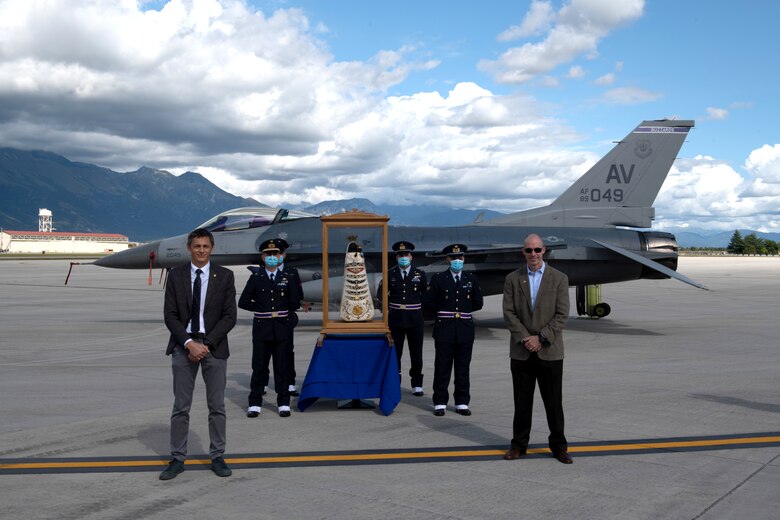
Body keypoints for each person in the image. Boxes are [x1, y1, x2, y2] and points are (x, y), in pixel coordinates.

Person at [160, 228, 237, 480]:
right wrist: (189, 343)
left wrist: (206, 344)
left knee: (217, 406)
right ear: (189, 248)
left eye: (205, 246)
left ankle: (217, 455)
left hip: (214, 348)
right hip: (184, 348)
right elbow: (170, 315)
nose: (201, 250)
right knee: (181, 407)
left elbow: (229, 316)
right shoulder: (176, 276)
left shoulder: (225, 276)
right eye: (196, 246)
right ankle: (177, 457)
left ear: (211, 248)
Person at [501, 233, 572, 464]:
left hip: (549, 351)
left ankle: (559, 447)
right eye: (528, 250)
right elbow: (509, 313)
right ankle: (519, 446)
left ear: (544, 251)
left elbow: (562, 314)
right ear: (523, 252)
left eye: (537, 250)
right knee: (522, 403)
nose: (533, 254)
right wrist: (525, 339)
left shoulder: (559, 278)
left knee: (553, 403)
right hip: (522, 352)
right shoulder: (513, 278)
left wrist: (541, 338)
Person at [240, 239, 302, 418]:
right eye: (268, 255)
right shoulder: (256, 277)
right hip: (262, 328)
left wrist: (284, 313)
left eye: (275, 254)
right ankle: (255, 403)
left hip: (282, 327)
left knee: (281, 367)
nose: (272, 257)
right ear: (263, 257)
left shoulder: (287, 278)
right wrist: (260, 309)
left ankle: (283, 402)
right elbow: (243, 301)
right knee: (259, 366)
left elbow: (295, 301)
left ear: (280, 256)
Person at [423, 243, 483, 416]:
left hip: (464, 328)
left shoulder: (471, 279)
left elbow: (478, 303)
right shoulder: (439, 279)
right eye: (454, 258)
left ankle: (462, 401)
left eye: (460, 258)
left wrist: (462, 310)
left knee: (463, 367)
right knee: (442, 366)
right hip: (445, 328)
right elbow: (429, 302)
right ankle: (440, 401)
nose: (457, 260)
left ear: (464, 259)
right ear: (447, 259)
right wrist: (445, 310)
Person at [378, 241, 428, 396]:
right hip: (396, 317)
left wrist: (421, 313)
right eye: (400, 255)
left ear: (411, 256)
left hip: (415, 318)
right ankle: (395, 381)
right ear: (396, 257)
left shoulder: (420, 274)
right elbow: (381, 295)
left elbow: (425, 296)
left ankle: (417, 384)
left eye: (406, 254)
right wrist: (387, 310)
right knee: (395, 352)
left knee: (416, 352)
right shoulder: (389, 274)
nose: (403, 257)